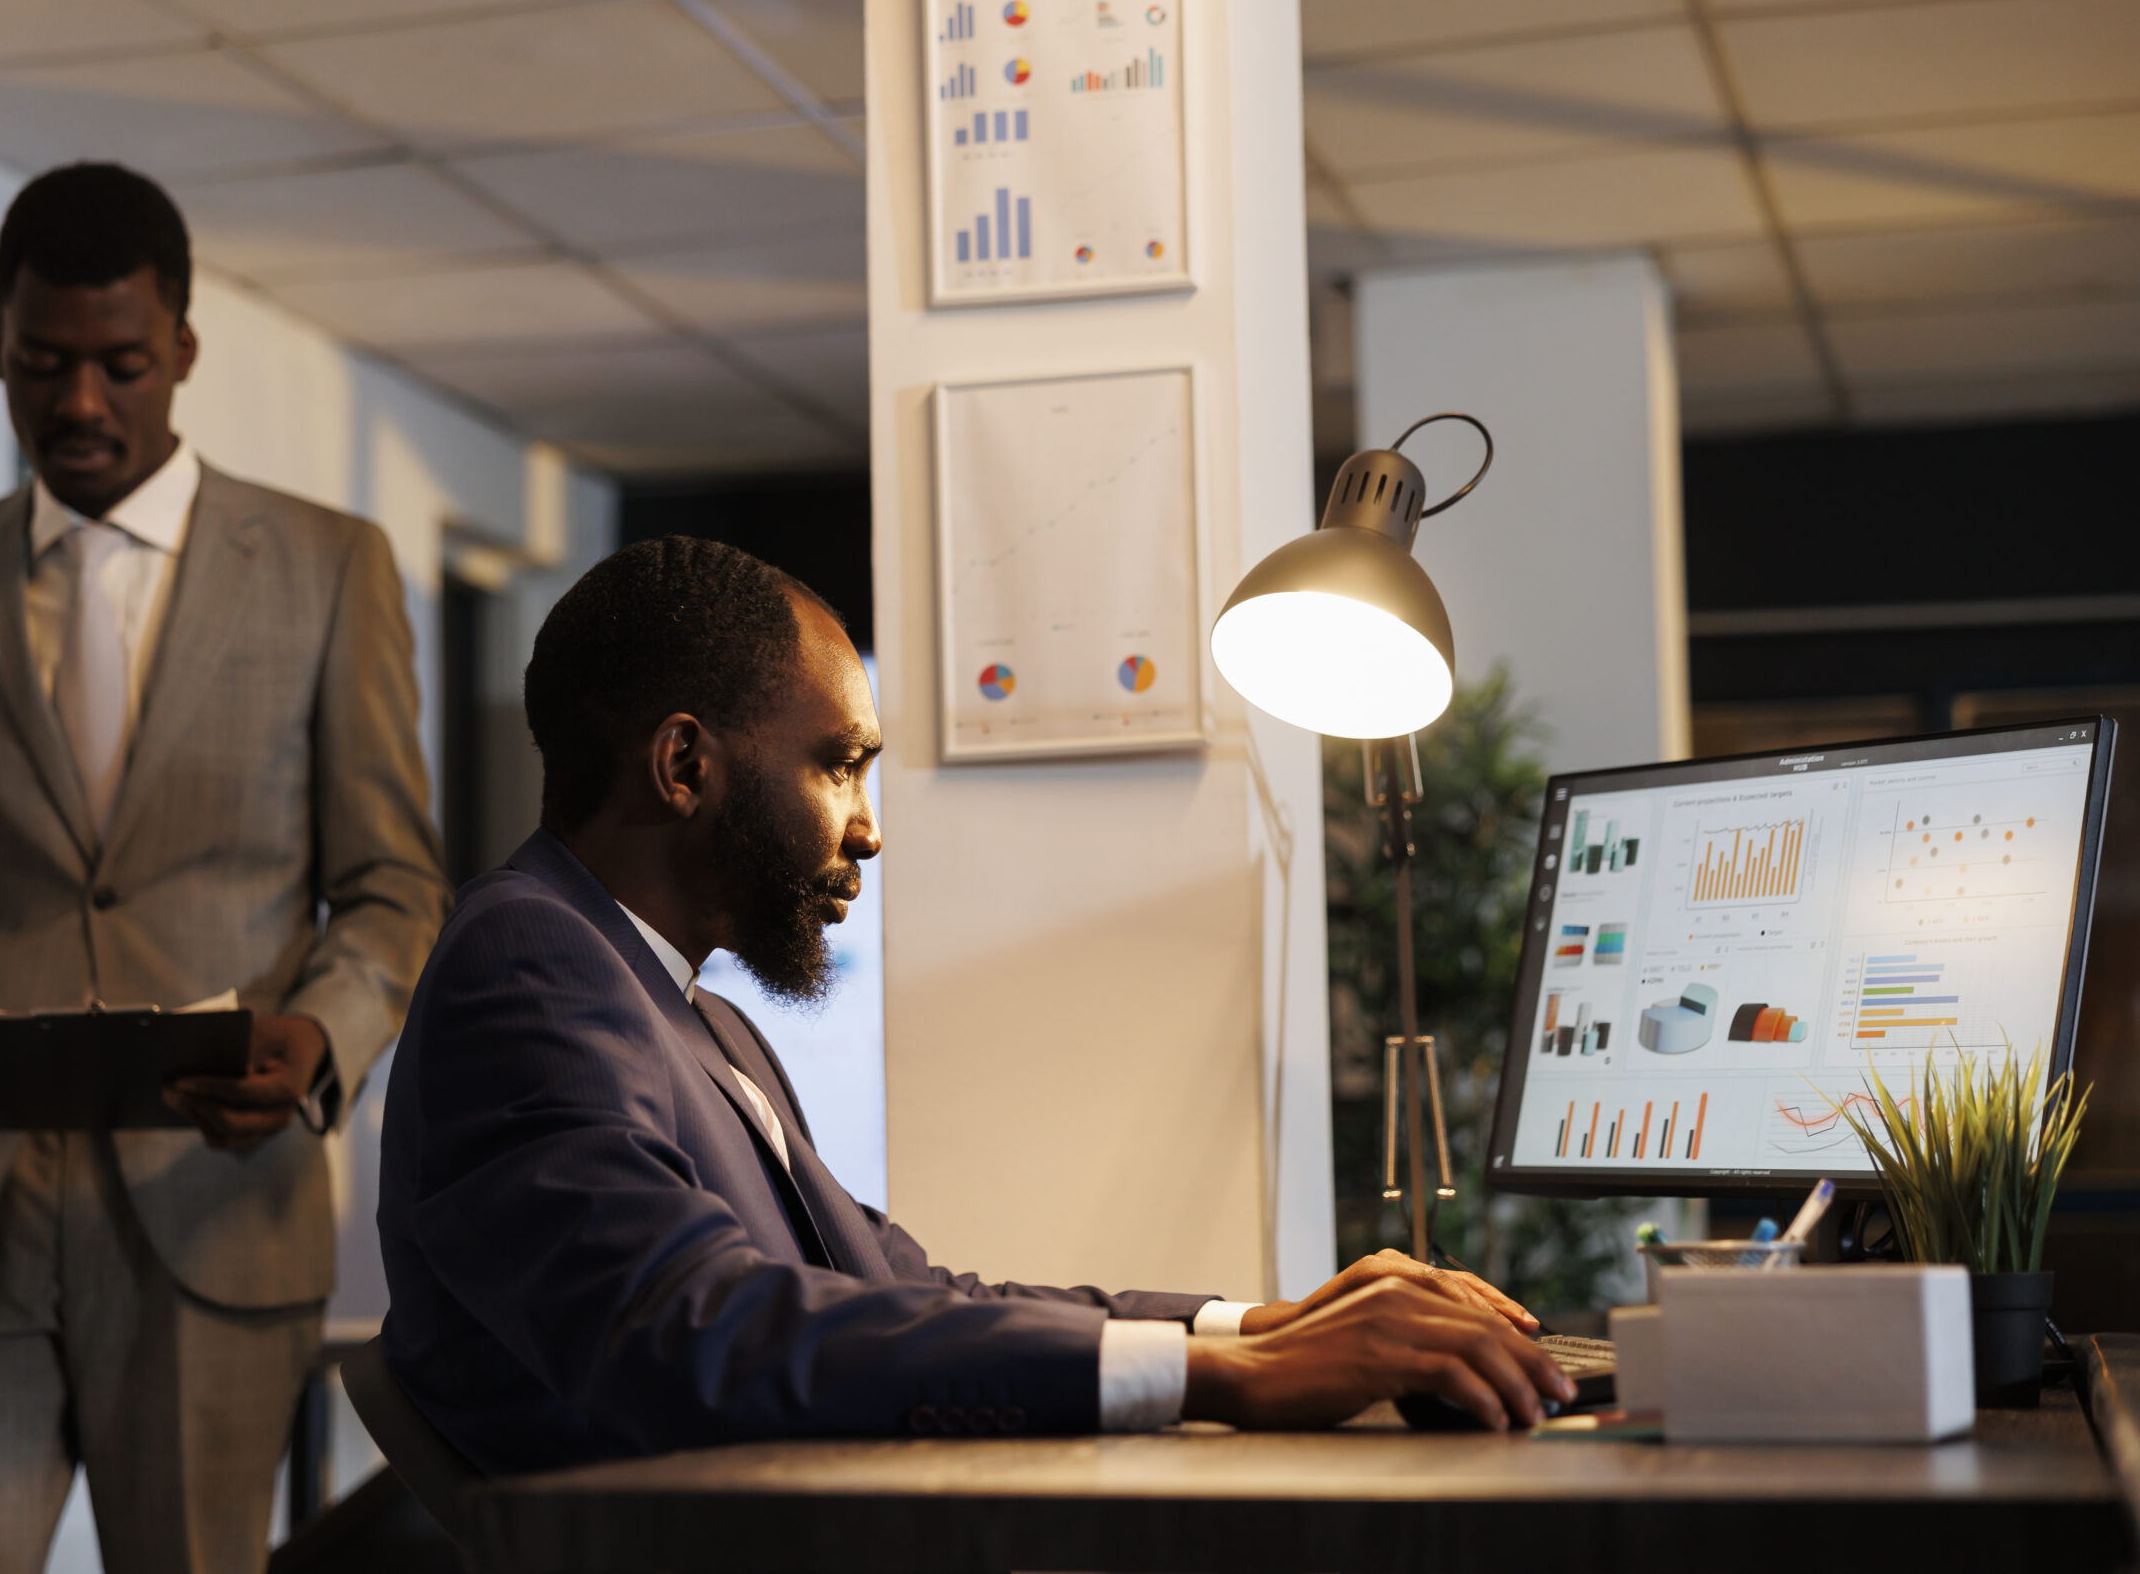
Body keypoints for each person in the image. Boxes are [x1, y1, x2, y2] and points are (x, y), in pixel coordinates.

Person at [376, 536, 1567, 1477]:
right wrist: (1221, 1382)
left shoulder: (695, 1017)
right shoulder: (526, 959)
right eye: (838, 764)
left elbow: (898, 1293)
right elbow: (695, 1334)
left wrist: (1251, 1326)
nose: (867, 827)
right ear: (685, 767)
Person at [0, 163, 448, 1573]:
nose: (79, 402)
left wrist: (319, 1040)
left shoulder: (331, 568)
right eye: (43, 363)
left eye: (120, 364)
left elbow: (395, 883)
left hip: (213, 1194)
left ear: (183, 354)